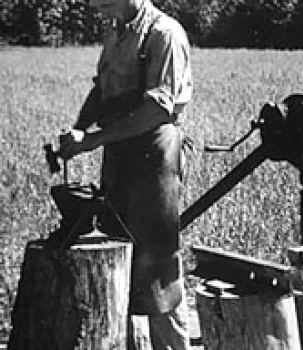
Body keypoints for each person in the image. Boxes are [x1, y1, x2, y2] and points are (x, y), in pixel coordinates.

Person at [58, 0, 193, 348]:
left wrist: (93, 139)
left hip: (154, 161)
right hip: (120, 159)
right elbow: (102, 90)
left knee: (159, 275)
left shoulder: (164, 34)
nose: (95, 6)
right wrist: (78, 131)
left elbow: (157, 110)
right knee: (121, 265)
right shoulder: (116, 31)